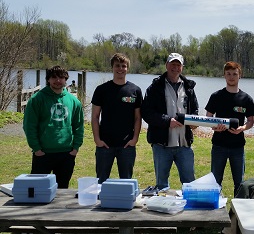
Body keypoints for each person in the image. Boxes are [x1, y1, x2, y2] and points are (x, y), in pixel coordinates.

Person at [142, 52, 199, 190]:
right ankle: (163, 208)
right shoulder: (155, 87)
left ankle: (192, 212)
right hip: (161, 145)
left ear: (182, 67)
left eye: (178, 65)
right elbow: (147, 113)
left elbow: (195, 111)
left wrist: (193, 122)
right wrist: (168, 121)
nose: (175, 67)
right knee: (161, 185)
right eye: (172, 64)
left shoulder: (189, 87)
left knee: (189, 184)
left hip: (184, 145)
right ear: (166, 65)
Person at [23, 65, 84, 188]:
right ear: (48, 79)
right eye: (54, 77)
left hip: (66, 154)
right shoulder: (37, 99)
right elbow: (29, 125)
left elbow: (79, 126)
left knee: (62, 191)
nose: (57, 80)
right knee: (37, 190)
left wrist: (75, 148)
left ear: (65, 79)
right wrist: (36, 148)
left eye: (61, 77)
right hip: (43, 153)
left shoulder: (74, 101)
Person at [91, 53, 143, 184]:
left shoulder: (135, 90)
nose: (120, 69)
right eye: (117, 66)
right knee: (101, 182)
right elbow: (95, 116)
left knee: (126, 183)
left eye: (123, 66)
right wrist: (97, 139)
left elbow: (138, 117)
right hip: (105, 144)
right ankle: (99, 204)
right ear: (112, 68)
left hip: (127, 145)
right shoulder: (101, 90)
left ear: (128, 68)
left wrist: (135, 138)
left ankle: (123, 203)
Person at [205, 61, 254, 196]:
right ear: (224, 76)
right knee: (215, 182)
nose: (231, 77)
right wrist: (215, 127)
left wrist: (242, 128)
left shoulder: (246, 99)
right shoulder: (216, 96)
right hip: (219, 146)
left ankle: (236, 212)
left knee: (239, 183)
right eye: (228, 74)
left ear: (240, 76)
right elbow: (208, 117)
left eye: (234, 74)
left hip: (238, 148)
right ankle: (214, 212)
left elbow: (251, 121)